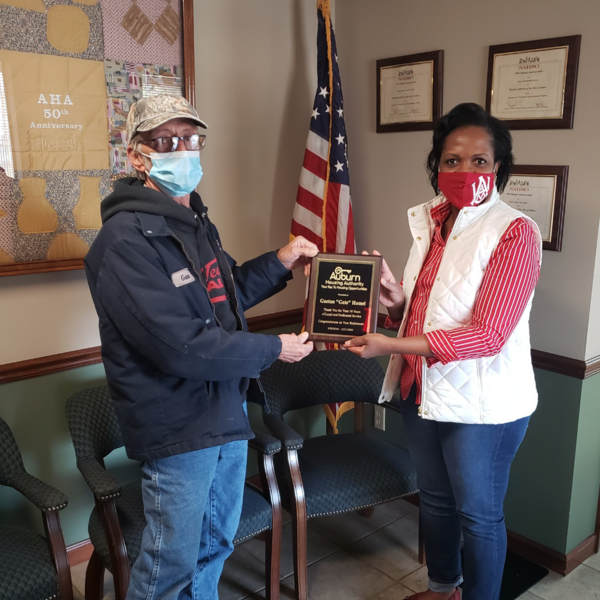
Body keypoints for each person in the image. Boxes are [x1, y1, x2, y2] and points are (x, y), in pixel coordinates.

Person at [84, 94, 316, 600]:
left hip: (225, 414)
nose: (184, 150)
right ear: (137, 156)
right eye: (167, 141)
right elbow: (180, 346)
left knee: (215, 546)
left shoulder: (192, 222)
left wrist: (280, 261)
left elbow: (224, 292)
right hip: (179, 429)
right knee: (169, 566)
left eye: (191, 139)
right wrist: (273, 348)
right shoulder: (123, 241)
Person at [345, 103, 542, 600]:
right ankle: (443, 589)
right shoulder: (432, 221)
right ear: (437, 164)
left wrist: (389, 344)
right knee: (434, 499)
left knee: (478, 515)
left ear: (499, 167)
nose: (465, 170)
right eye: (452, 159)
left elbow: (487, 335)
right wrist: (393, 302)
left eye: (480, 160)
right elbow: (424, 312)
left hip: (483, 405)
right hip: (422, 387)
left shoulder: (515, 231)